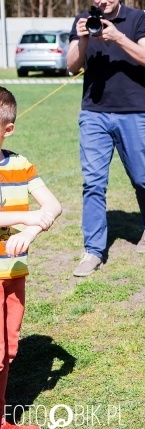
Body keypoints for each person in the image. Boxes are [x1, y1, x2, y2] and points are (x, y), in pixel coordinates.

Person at [67, 0, 145, 277]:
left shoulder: (138, 19)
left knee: (141, 178)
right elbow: (71, 66)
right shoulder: (85, 20)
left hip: (133, 111)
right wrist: (83, 39)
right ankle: (93, 250)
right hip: (93, 113)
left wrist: (118, 36)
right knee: (93, 182)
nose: (102, 0)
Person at [0, 87, 62, 429]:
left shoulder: (20, 165)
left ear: (7, 129)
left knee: (8, 349)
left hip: (14, 272)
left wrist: (31, 232)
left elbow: (52, 206)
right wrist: (22, 218)